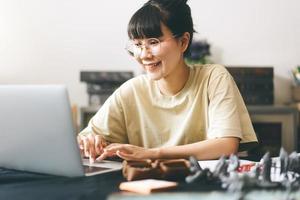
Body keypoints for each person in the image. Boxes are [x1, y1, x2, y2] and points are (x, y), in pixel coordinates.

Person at [78, 0, 258, 163]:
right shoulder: (132, 90)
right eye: (138, 45)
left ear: (183, 42)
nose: (143, 55)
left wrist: (152, 153)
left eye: (153, 42)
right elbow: (85, 139)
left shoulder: (213, 78)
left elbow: (226, 146)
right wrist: (90, 141)